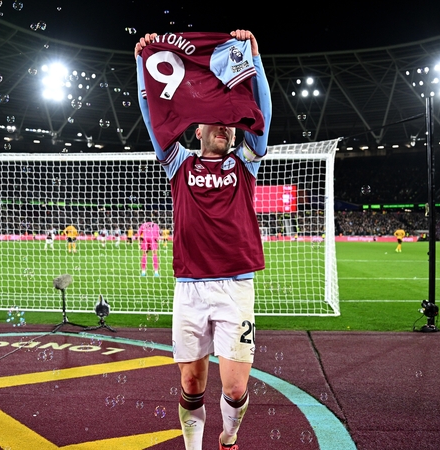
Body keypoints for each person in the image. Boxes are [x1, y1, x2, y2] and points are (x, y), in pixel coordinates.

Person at [135, 29, 271, 450]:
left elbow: (261, 110)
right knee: (191, 381)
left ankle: (228, 437)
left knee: (233, 388)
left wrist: (255, 58)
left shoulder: (246, 163)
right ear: (196, 129)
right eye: (217, 122)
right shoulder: (178, 163)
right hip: (190, 287)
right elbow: (153, 111)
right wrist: (143, 65)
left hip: (235, 286)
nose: (226, 128)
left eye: (230, 124)